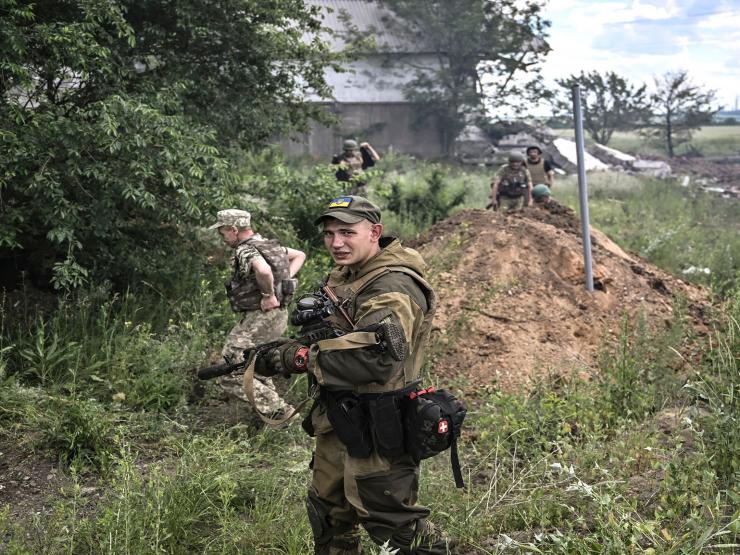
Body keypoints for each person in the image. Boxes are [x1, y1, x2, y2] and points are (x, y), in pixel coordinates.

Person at [258, 196, 452, 554]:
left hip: (380, 420)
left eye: (347, 232)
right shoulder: (349, 276)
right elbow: (334, 334)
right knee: (329, 511)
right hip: (340, 415)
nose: (336, 243)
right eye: (329, 233)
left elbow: (375, 359)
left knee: (392, 521)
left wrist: (297, 358)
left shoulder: (393, 286)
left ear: (374, 232)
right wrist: (291, 346)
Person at [209, 209, 306, 416]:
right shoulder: (269, 245)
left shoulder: (246, 250)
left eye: (223, 232)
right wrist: (284, 281)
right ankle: (270, 423)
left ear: (234, 229)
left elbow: (263, 271)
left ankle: (282, 412)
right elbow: (300, 255)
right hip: (278, 316)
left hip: (260, 318)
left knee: (230, 371)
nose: (223, 238)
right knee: (258, 367)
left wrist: (268, 294)